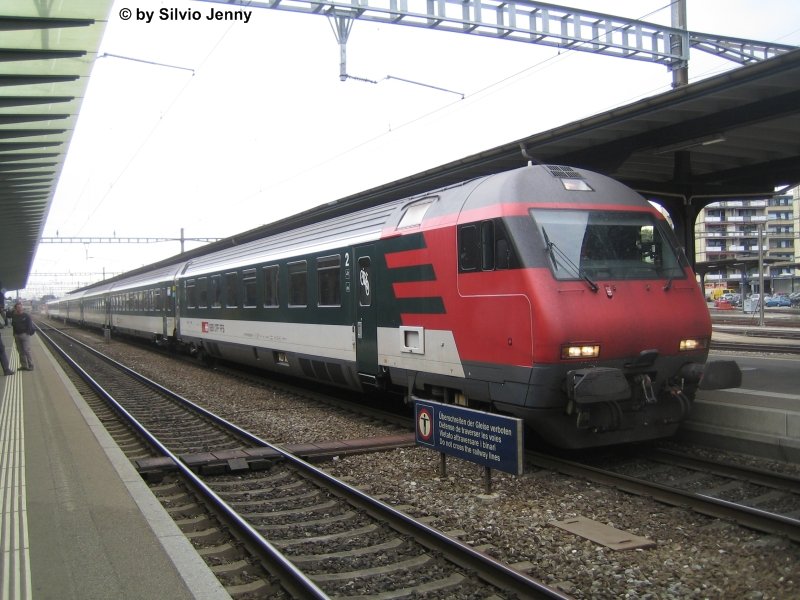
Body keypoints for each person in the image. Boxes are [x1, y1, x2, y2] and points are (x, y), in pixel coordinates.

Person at [11, 301, 34, 371]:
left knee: (26, 350)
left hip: (24, 335)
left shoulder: (26, 316)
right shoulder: (14, 316)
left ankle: (31, 365)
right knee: (20, 351)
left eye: (20, 307)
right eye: (18, 307)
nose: (20, 308)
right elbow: (13, 325)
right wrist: (14, 334)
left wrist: (27, 333)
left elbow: (30, 325)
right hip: (17, 335)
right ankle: (24, 365)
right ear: (15, 308)